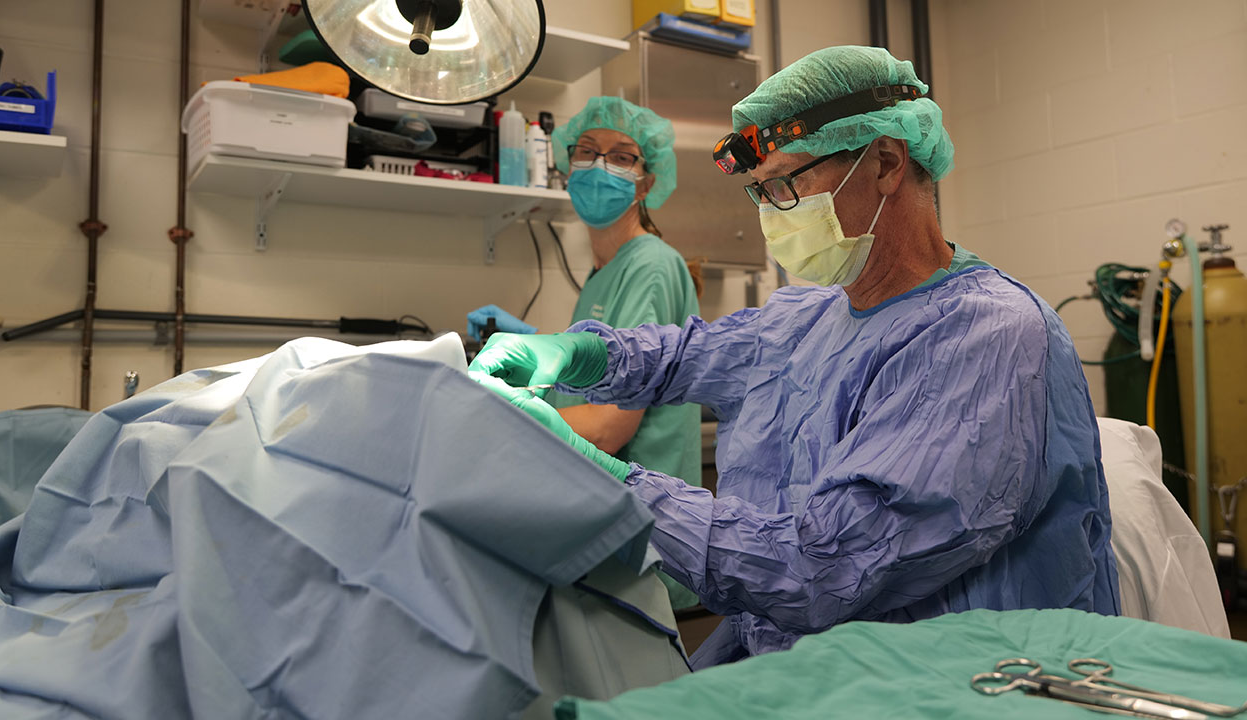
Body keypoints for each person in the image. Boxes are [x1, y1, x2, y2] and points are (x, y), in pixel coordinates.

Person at [469, 46, 1120, 668]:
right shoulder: (808, 317)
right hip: (798, 658)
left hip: (948, 681)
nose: (773, 214)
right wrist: (571, 353)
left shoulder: (987, 336)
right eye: (760, 191)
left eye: (787, 185)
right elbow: (685, 356)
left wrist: (609, 480)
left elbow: (827, 568)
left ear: (886, 162)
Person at [467, 97, 704, 609]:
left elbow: (610, 423)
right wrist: (536, 346)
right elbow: (602, 367)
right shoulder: (606, 269)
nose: (600, 166)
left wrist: (499, 432)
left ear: (646, 180)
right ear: (565, 163)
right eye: (588, 152)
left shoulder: (651, 264)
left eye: (621, 157)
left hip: (649, 530)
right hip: (611, 520)